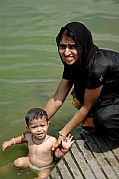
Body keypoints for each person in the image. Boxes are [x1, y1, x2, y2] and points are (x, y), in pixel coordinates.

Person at [44, 21, 119, 144]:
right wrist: (34, 125)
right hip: (113, 92)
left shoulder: (97, 67)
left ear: (83, 46)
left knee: (104, 118)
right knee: (80, 90)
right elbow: (57, 99)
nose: (66, 52)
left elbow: (86, 106)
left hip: (113, 95)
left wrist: (63, 133)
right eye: (62, 46)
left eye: (72, 46)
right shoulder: (75, 62)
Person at [2, 108, 74, 179]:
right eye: (34, 127)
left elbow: (57, 154)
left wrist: (64, 149)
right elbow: (20, 139)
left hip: (44, 167)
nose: (39, 130)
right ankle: (8, 168)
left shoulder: (51, 140)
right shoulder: (29, 136)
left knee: (44, 177)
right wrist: (11, 142)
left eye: (42, 125)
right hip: (29, 161)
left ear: (47, 124)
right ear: (28, 128)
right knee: (17, 162)